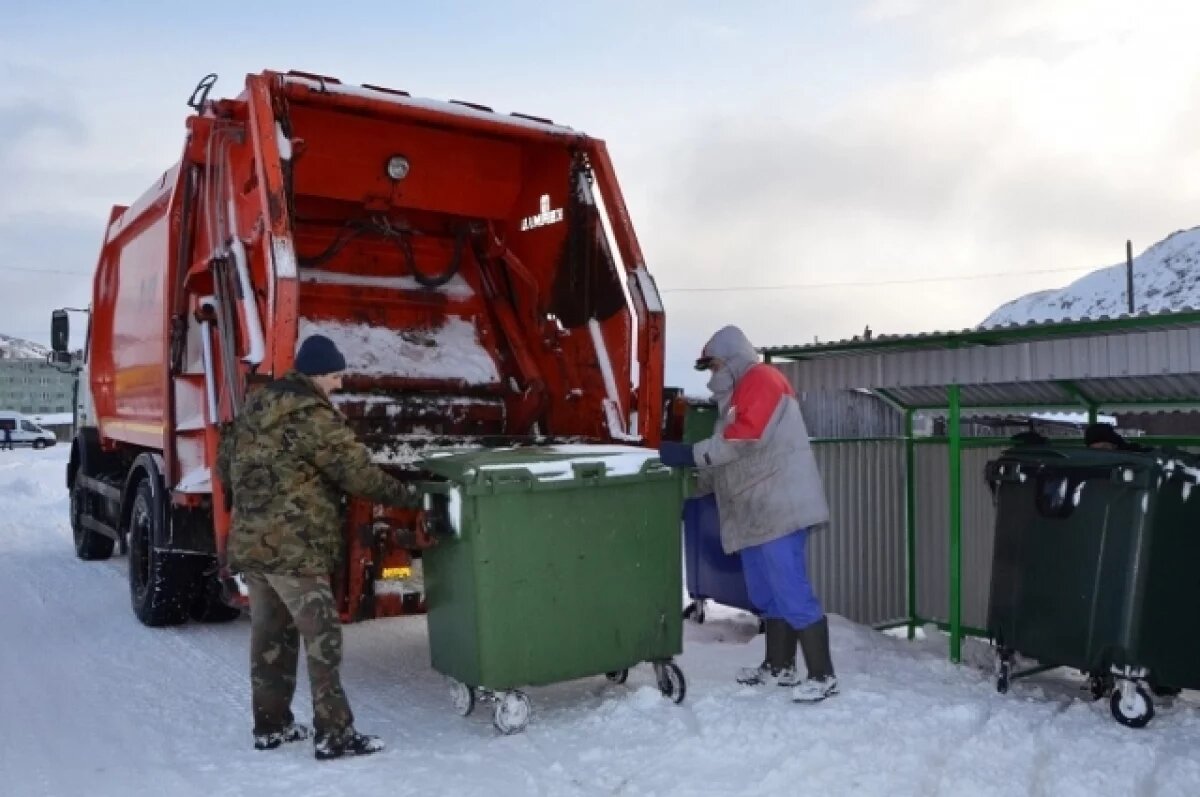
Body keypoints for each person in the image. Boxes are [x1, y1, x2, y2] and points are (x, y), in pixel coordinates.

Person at [216, 334, 420, 760]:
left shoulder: (255, 409)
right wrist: (413, 496)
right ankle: (335, 735)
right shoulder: (311, 416)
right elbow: (358, 476)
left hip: (253, 544)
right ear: (318, 374)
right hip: (294, 549)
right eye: (336, 376)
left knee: (270, 635)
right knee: (322, 638)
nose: (340, 385)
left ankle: (271, 726)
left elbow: (224, 469)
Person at [658, 325, 837, 703]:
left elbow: (741, 441)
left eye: (715, 366)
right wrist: (687, 488)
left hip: (780, 507)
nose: (712, 376)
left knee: (790, 590)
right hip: (757, 513)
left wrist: (688, 454)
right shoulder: (735, 398)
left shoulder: (761, 379)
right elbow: (727, 462)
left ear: (733, 359)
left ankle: (822, 675)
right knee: (765, 593)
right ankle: (779, 666)